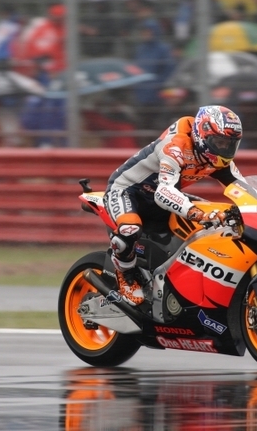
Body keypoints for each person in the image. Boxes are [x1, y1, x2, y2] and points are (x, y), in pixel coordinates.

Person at [103, 105, 245, 306]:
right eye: (219, 142)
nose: (224, 149)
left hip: (162, 193)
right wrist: (196, 213)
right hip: (127, 191)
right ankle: (125, 274)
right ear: (202, 135)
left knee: (216, 217)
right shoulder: (176, 146)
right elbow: (163, 193)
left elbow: (244, 188)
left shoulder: (217, 158)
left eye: (230, 144)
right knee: (129, 228)